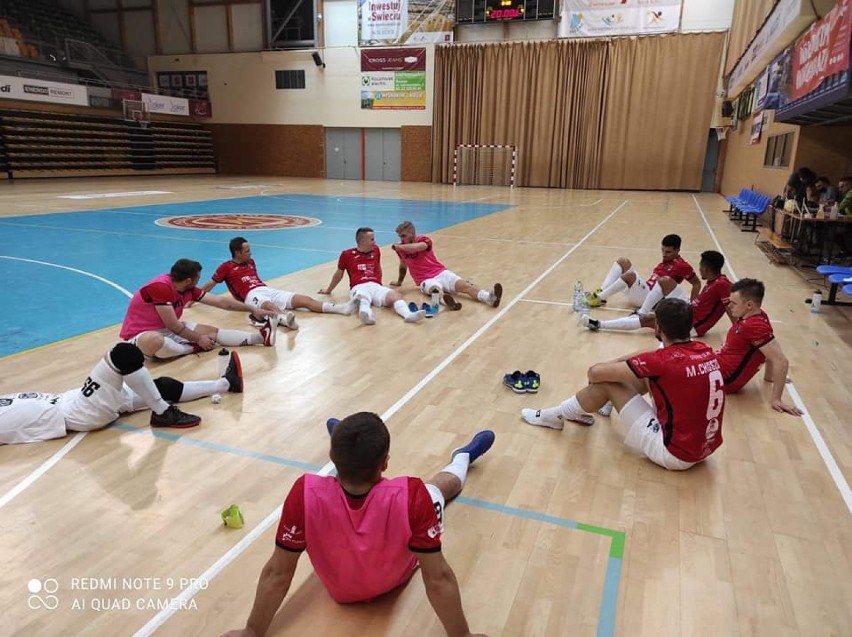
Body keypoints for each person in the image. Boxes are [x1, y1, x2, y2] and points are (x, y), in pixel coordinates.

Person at [221, 412, 494, 637]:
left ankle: (347, 441)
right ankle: (462, 457)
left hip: (338, 588)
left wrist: (252, 631)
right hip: (394, 573)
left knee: (414, 488)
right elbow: (438, 578)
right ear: (386, 463)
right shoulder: (412, 495)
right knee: (436, 488)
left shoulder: (304, 492)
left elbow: (277, 574)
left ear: (330, 457)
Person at [521, 299, 724, 471]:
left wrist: (608, 366)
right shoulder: (705, 350)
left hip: (675, 454)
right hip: (704, 447)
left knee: (607, 385)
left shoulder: (661, 361)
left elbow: (595, 373)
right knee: (648, 376)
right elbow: (656, 358)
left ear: (658, 327)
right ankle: (604, 405)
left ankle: (554, 416)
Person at [0, 342, 244, 444]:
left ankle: (224, 384)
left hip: (71, 398)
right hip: (77, 412)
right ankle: (163, 413)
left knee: (162, 385)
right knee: (124, 355)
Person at [120, 258, 278, 360]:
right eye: (198, 278)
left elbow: (222, 302)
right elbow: (173, 325)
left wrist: (253, 309)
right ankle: (189, 348)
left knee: (212, 332)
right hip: (141, 335)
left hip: (167, 330)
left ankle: (260, 338)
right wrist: (197, 339)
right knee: (156, 340)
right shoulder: (160, 287)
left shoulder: (187, 288)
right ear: (189, 280)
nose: (199, 281)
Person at [202, 237, 356, 331]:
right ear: (237, 253)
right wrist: (195, 297)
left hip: (265, 288)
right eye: (247, 251)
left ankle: (340, 309)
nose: (251, 253)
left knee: (304, 300)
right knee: (268, 305)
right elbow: (211, 283)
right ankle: (284, 319)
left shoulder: (251, 262)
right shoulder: (226, 267)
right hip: (250, 295)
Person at [580, 250, 732, 337]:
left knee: (650, 320)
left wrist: (736, 332)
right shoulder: (715, 282)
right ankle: (641, 311)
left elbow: (730, 308)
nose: (699, 269)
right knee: (664, 281)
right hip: (688, 310)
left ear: (705, 268)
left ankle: (599, 324)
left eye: (700, 266)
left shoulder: (722, 285)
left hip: (690, 325)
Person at [715, 278, 803, 416]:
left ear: (749, 305)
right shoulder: (759, 316)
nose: (729, 306)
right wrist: (769, 376)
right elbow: (767, 349)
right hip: (717, 364)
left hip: (724, 379)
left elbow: (781, 360)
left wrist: (776, 399)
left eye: (733, 303)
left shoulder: (753, 326)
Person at [319, 227, 426, 325]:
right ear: (362, 241)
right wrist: (329, 290)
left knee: (395, 295)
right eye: (372, 239)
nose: (374, 242)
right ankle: (367, 316)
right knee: (362, 298)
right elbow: (339, 274)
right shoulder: (346, 254)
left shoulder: (376, 250)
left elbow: (378, 267)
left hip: (375, 285)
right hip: (359, 286)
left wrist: (380, 284)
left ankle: (408, 315)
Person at [389, 220, 503, 310]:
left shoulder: (424, 239)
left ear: (412, 233)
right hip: (424, 280)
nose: (401, 239)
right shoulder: (401, 249)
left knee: (466, 286)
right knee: (435, 290)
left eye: (403, 236)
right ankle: (448, 302)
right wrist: (399, 282)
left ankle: (490, 298)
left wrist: (399, 247)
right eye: (400, 237)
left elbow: (418, 247)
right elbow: (403, 265)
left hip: (441, 272)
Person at [585, 234, 701, 316]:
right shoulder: (666, 261)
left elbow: (696, 283)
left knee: (630, 275)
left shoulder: (682, 266)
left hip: (650, 299)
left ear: (677, 250)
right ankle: (601, 292)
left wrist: (691, 306)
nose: (664, 254)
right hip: (643, 292)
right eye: (663, 250)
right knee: (623, 261)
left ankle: (599, 299)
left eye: (668, 252)